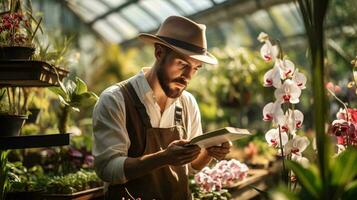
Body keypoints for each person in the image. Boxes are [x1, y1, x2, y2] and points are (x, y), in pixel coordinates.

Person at [92, 15, 231, 200]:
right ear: (159, 52)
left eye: (196, 68)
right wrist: (164, 157)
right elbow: (108, 169)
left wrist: (209, 153)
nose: (188, 76)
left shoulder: (187, 103)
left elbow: (190, 168)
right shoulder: (115, 99)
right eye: (182, 64)